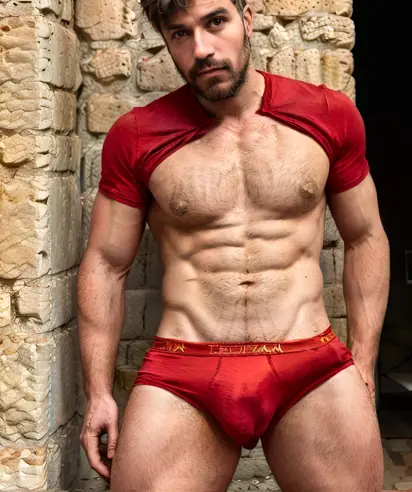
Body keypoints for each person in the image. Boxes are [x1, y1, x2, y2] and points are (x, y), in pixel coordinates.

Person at [77, 0, 390, 490]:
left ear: (247, 18)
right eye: (180, 34)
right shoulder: (136, 135)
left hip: (309, 362)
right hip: (186, 366)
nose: (201, 48)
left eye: (215, 22)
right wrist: (98, 393)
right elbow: (105, 264)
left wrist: (364, 359)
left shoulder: (328, 114)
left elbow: (366, 236)